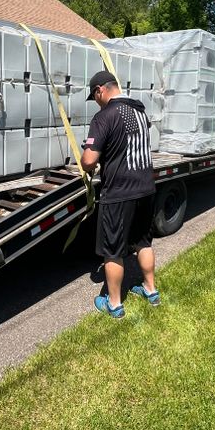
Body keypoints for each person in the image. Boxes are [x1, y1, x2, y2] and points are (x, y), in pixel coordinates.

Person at [80, 69, 159, 318]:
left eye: (94, 97)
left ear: (100, 90)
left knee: (112, 250)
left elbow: (89, 161)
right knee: (143, 241)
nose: (96, 102)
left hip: (120, 192)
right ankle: (150, 290)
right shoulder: (139, 111)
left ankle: (114, 304)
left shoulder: (104, 117)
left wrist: (87, 155)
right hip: (146, 188)